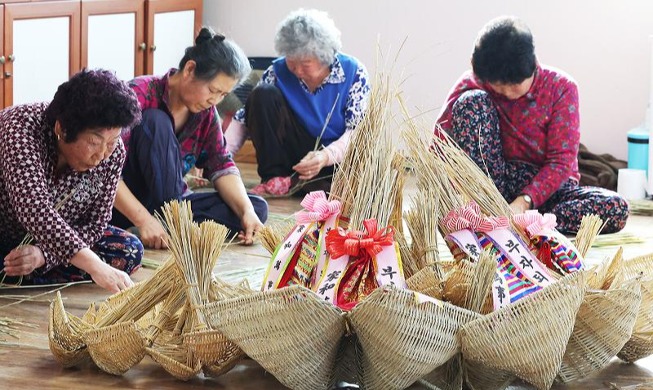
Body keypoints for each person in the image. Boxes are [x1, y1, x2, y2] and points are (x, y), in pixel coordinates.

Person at [436, 15, 629, 234]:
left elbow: (561, 162)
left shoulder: (561, 88)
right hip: (496, 185)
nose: (507, 94)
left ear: (532, 67)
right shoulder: (475, 83)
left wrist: (523, 203)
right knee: (470, 102)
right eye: (498, 86)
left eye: (514, 86)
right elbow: (440, 141)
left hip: (548, 192)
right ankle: (491, 213)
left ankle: (531, 225)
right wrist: (446, 194)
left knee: (616, 207)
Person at [111, 27, 268, 249]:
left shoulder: (205, 111)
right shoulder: (139, 93)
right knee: (156, 122)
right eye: (213, 90)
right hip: (124, 204)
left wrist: (247, 212)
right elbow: (104, 171)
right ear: (190, 69)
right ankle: (153, 227)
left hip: (172, 205)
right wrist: (143, 219)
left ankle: (165, 228)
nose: (215, 100)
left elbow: (220, 163)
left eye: (223, 94)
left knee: (255, 208)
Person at [0, 69, 143, 293]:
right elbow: (35, 210)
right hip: (6, 233)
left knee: (128, 250)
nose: (103, 154)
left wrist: (43, 255)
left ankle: (27, 270)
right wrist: (95, 266)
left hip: (50, 245)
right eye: (95, 142)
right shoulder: (20, 128)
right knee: (96, 264)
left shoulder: (113, 154)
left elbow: (95, 224)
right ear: (62, 129)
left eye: (113, 140)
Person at [225, 8, 371, 196]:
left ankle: (309, 183)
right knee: (262, 94)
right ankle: (275, 179)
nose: (297, 70)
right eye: (292, 62)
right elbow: (243, 118)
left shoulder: (353, 73)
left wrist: (325, 156)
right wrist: (220, 160)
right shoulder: (277, 70)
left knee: (334, 192)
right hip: (295, 151)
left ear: (324, 55)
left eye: (305, 63)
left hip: (333, 158)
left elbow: (356, 132)